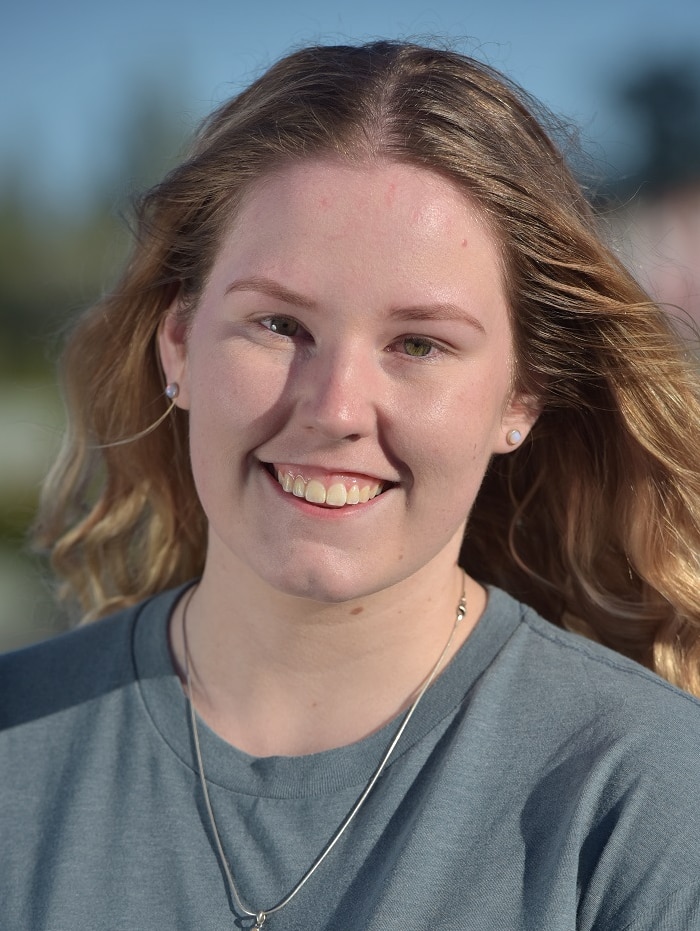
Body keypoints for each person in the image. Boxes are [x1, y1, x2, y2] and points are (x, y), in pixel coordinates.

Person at [2, 39, 700, 931]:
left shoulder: (643, 800)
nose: (334, 407)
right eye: (279, 323)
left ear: (520, 396)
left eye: (419, 344)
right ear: (178, 344)